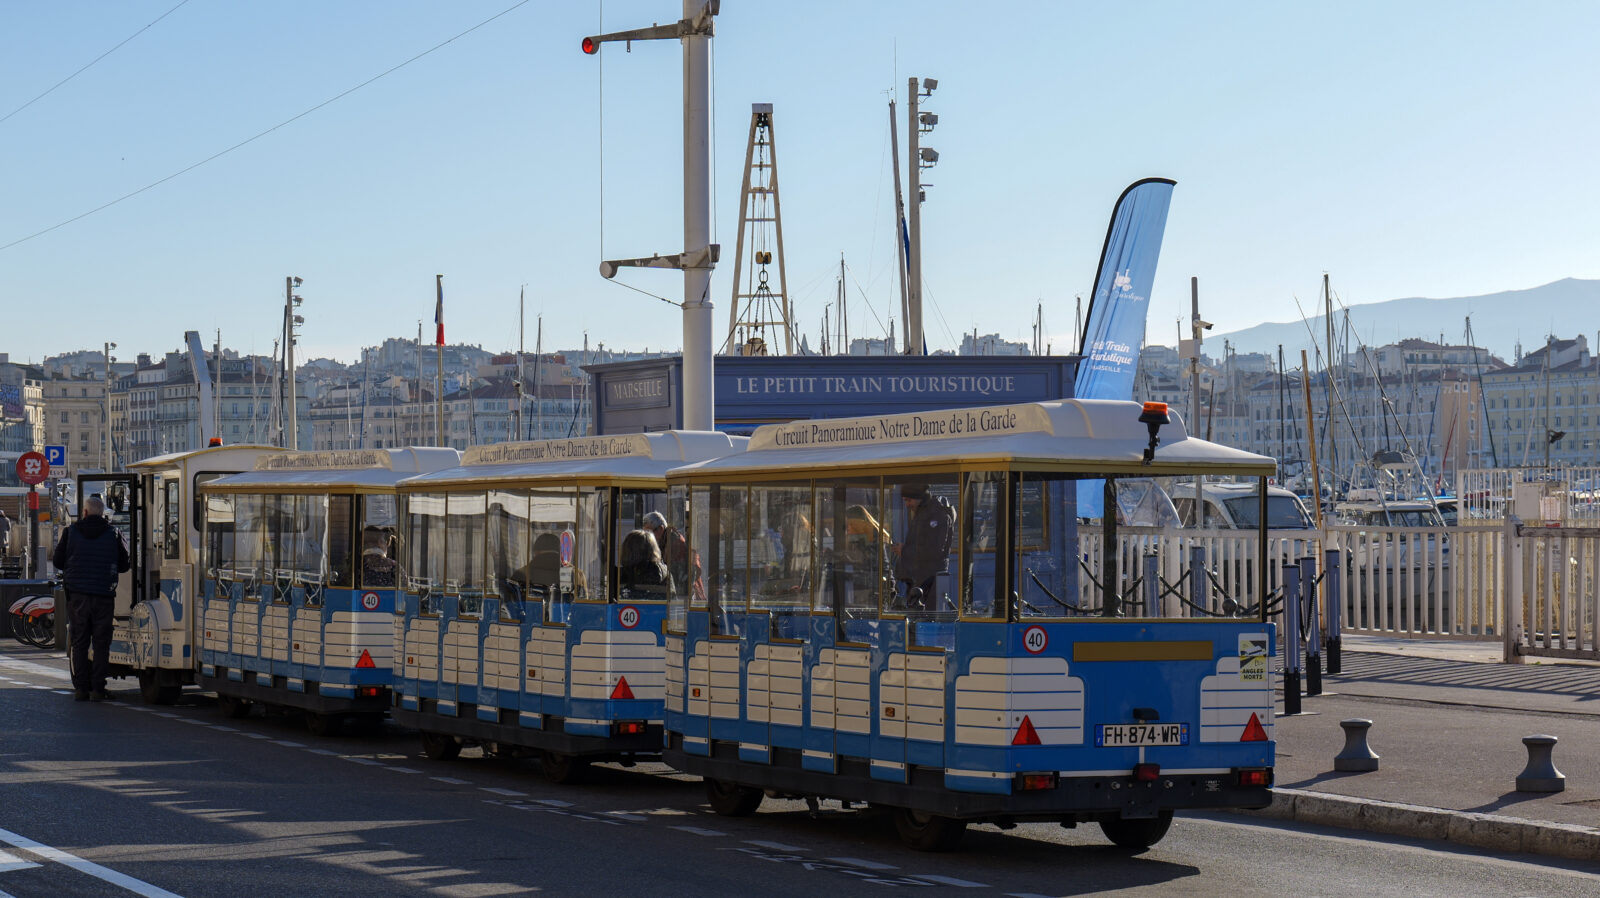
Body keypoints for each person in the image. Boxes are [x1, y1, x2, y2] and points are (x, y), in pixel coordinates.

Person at [53, 496, 131, 702]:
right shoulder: (114, 533)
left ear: (84, 512)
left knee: (79, 642)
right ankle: (98, 688)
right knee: (101, 643)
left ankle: (81, 688)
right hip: (104, 595)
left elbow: (58, 561)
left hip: (77, 595)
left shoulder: (70, 533)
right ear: (103, 513)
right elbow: (125, 564)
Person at [893, 482, 954, 611]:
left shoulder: (935, 514)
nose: (907, 505)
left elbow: (933, 550)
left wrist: (904, 551)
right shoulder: (924, 513)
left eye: (909, 500)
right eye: (905, 500)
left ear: (918, 497)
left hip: (929, 582)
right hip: (921, 580)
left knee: (926, 620)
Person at [643, 511, 702, 599]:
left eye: (649, 532)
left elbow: (673, 575)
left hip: (682, 595)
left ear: (660, 528)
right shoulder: (664, 541)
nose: (647, 537)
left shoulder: (673, 542)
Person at [618, 528, 669, 596]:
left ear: (626, 550)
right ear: (654, 550)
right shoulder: (665, 572)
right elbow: (673, 601)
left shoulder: (619, 576)